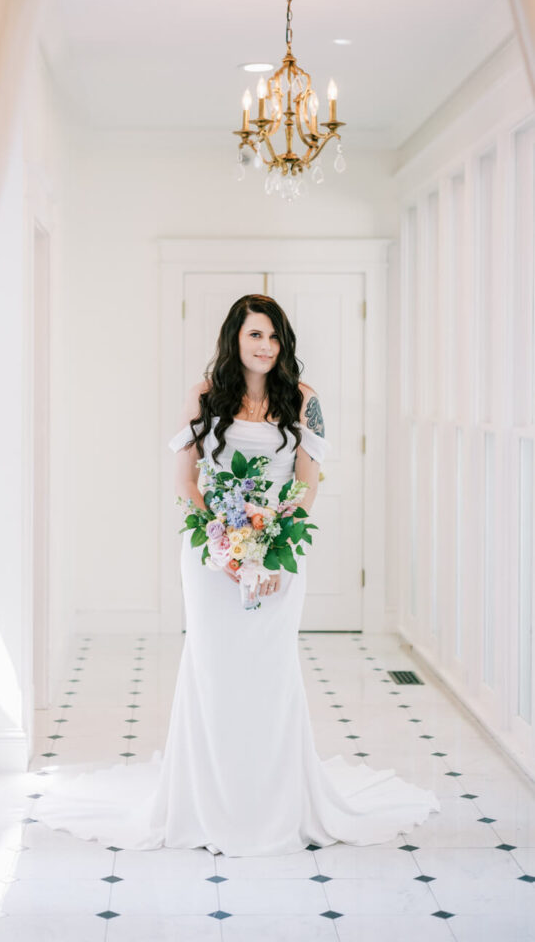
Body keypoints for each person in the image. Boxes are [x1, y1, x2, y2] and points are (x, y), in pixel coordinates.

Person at [35, 294, 440, 856]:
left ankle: (274, 806)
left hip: (279, 555)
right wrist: (227, 546)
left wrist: (268, 549)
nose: (266, 347)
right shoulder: (204, 397)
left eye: (274, 337)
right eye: (255, 335)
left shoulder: (305, 400)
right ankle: (204, 805)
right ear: (235, 338)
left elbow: (307, 486)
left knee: (270, 673)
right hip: (210, 558)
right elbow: (185, 481)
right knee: (213, 670)